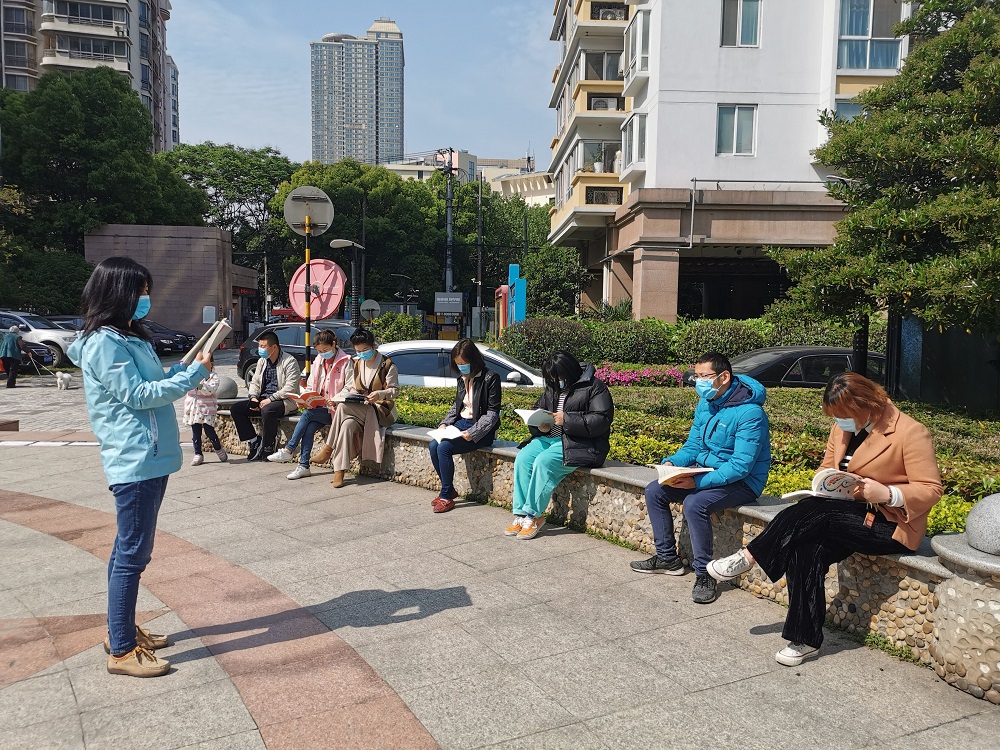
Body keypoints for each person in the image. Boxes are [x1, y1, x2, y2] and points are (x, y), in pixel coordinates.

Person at [707, 372, 943, 666]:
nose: (840, 422)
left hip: (889, 523)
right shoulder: (842, 427)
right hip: (842, 512)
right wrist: (827, 483)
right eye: (836, 416)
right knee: (804, 548)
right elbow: (827, 466)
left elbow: (931, 489)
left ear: (865, 404)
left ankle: (749, 556)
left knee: (818, 512)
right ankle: (804, 639)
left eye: (844, 415)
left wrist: (888, 493)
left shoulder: (910, 432)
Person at [67, 257, 213, 678]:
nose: (147, 299)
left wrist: (184, 369)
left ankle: (121, 630)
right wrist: (190, 379)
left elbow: (152, 381)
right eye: (141, 291)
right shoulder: (104, 343)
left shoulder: (129, 336)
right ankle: (121, 650)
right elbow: (139, 395)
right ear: (119, 293)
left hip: (150, 455)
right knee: (133, 555)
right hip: (134, 458)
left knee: (126, 551)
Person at [630, 352, 770, 605]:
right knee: (655, 490)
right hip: (706, 472)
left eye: (705, 376)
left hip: (744, 482)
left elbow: (740, 466)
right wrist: (672, 463)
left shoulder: (751, 413)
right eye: (696, 376)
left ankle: (705, 574)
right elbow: (693, 446)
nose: (699, 382)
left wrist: (696, 483)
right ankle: (667, 558)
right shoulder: (707, 403)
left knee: (695, 503)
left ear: (724, 377)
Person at [507, 350, 613, 540]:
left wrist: (568, 420)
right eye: (552, 378)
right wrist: (539, 424)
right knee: (523, 458)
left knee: (544, 462)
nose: (556, 381)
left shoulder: (595, 387)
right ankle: (521, 514)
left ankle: (533, 516)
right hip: (550, 439)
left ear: (570, 370)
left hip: (579, 443)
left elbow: (602, 420)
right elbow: (538, 409)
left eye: (559, 377)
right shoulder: (553, 386)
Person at [313, 328, 398, 488]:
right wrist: (341, 398)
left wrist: (379, 394)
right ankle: (339, 471)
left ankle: (328, 449)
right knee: (347, 425)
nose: (362, 354)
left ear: (373, 346)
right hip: (360, 409)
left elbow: (395, 391)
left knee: (343, 407)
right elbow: (353, 388)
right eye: (358, 351)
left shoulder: (387, 365)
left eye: (365, 350)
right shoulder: (358, 363)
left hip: (380, 410)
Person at [428, 339, 502, 513]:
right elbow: (458, 406)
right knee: (433, 445)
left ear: (473, 360)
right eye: (458, 364)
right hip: (461, 423)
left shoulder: (491, 378)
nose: (461, 367)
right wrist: (445, 423)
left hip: (481, 429)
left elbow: (492, 413)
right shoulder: (462, 379)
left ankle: (446, 497)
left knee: (444, 448)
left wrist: (473, 432)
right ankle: (449, 490)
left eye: (464, 363)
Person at [267, 328, 351, 480]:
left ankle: (289, 449)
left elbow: (350, 387)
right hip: (320, 408)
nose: (322, 354)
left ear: (334, 344)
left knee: (307, 415)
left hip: (336, 410)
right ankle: (303, 466)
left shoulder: (346, 361)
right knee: (309, 428)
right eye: (319, 351)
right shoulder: (318, 361)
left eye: (325, 350)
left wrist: (336, 398)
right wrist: (305, 398)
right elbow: (311, 384)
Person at [230, 330, 301, 461]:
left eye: (263, 346)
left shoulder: (289, 361)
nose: (260, 349)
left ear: (274, 347)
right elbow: (255, 382)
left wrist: (271, 399)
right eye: (259, 346)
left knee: (268, 410)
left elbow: (290, 387)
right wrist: (253, 397)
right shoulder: (262, 361)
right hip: (263, 399)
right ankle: (254, 440)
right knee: (236, 409)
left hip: (284, 401)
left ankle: (268, 446)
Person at [182, 357, 228, 465]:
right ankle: (198, 453)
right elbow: (186, 387)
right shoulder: (192, 375)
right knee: (196, 432)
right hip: (194, 408)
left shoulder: (213, 377)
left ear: (211, 363)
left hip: (207, 408)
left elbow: (210, 390)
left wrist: (200, 385)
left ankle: (218, 448)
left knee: (209, 430)